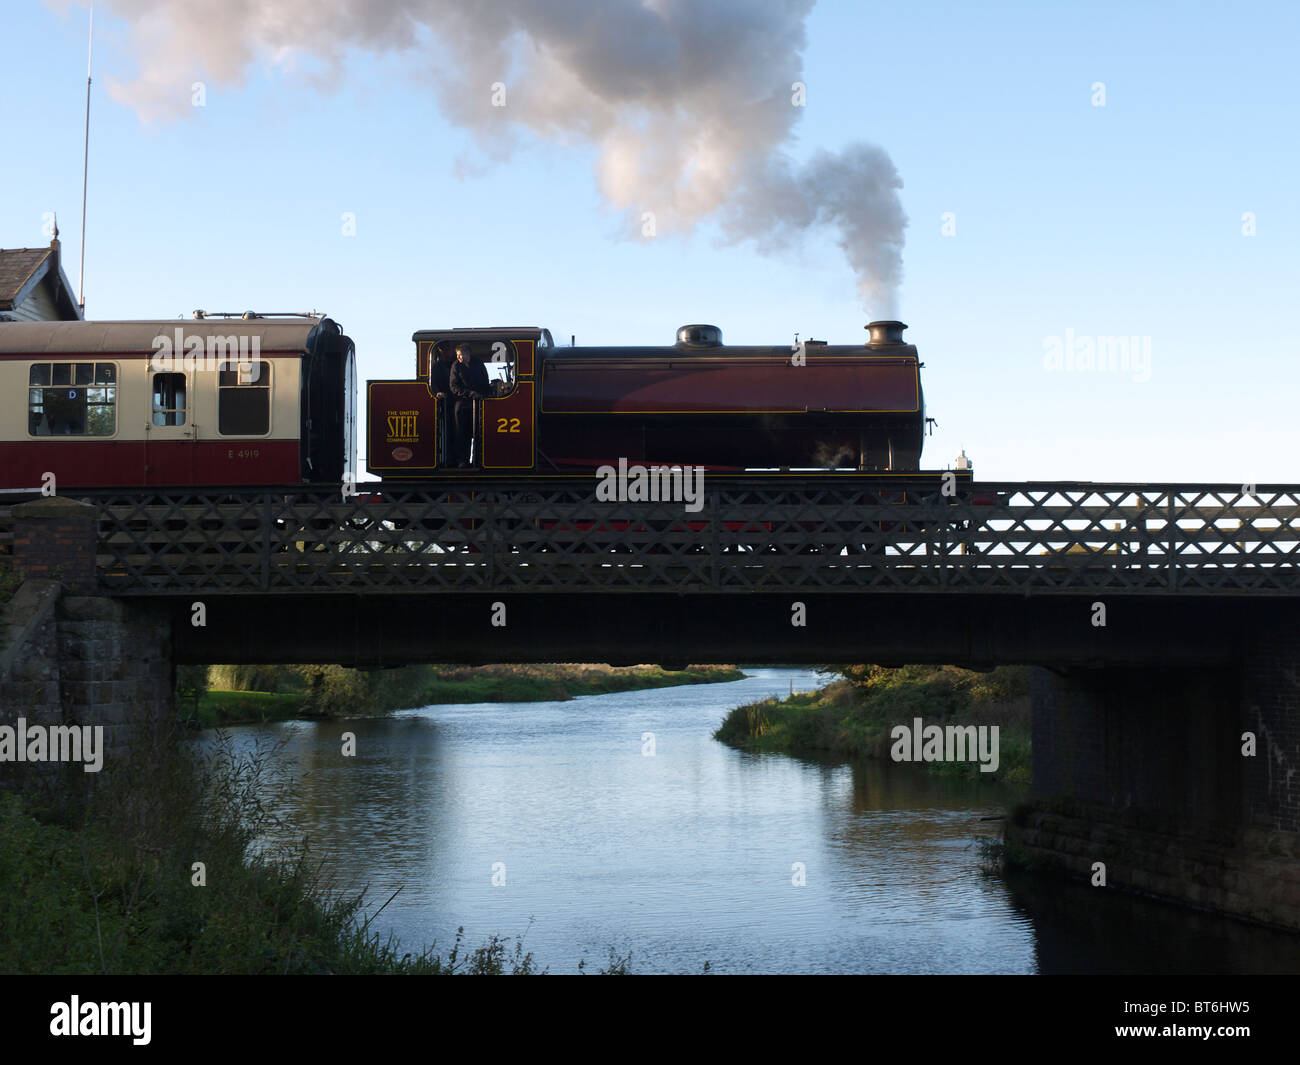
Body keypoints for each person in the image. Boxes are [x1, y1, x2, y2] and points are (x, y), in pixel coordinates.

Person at [449, 342, 491, 467]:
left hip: (478, 404)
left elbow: (485, 382)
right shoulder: (455, 366)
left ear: (468, 354)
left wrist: (482, 394)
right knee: (461, 433)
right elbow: (453, 386)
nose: (458, 357)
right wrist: (469, 393)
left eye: (460, 355)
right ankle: (462, 461)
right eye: (457, 355)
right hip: (462, 404)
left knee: (478, 433)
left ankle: (477, 460)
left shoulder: (479, 364)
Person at [430, 345, 455, 465]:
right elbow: (433, 383)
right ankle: (447, 459)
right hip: (444, 403)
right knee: (447, 431)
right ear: (440, 351)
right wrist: (437, 393)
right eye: (445, 350)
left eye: (449, 350)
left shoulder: (455, 365)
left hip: (456, 400)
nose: (448, 353)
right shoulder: (436, 367)